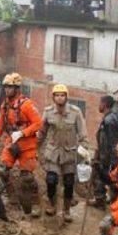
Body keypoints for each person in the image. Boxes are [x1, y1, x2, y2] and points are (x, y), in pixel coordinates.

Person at [0, 73, 43, 217]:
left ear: (17, 88)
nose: (7, 90)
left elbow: (38, 123)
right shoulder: (5, 105)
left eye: (10, 87)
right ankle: (12, 196)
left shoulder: (27, 105)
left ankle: (36, 202)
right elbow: (0, 125)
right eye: (6, 87)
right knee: (2, 170)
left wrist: (23, 133)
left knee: (27, 177)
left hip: (27, 144)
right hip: (11, 143)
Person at [37, 84, 90, 222]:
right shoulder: (48, 112)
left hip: (69, 153)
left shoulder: (75, 112)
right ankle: (53, 205)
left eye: (62, 95)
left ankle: (66, 210)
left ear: (66, 97)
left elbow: (82, 132)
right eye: (57, 95)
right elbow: (42, 132)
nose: (60, 98)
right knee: (51, 180)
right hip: (53, 152)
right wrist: (35, 147)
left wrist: (84, 148)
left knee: (68, 182)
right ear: (53, 97)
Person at [91, 95, 118, 208]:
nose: (99, 105)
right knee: (98, 176)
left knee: (107, 179)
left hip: (108, 158)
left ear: (104, 104)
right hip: (105, 155)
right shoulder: (109, 118)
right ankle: (102, 200)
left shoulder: (110, 120)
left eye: (100, 103)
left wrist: (112, 161)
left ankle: (109, 203)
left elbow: (112, 142)